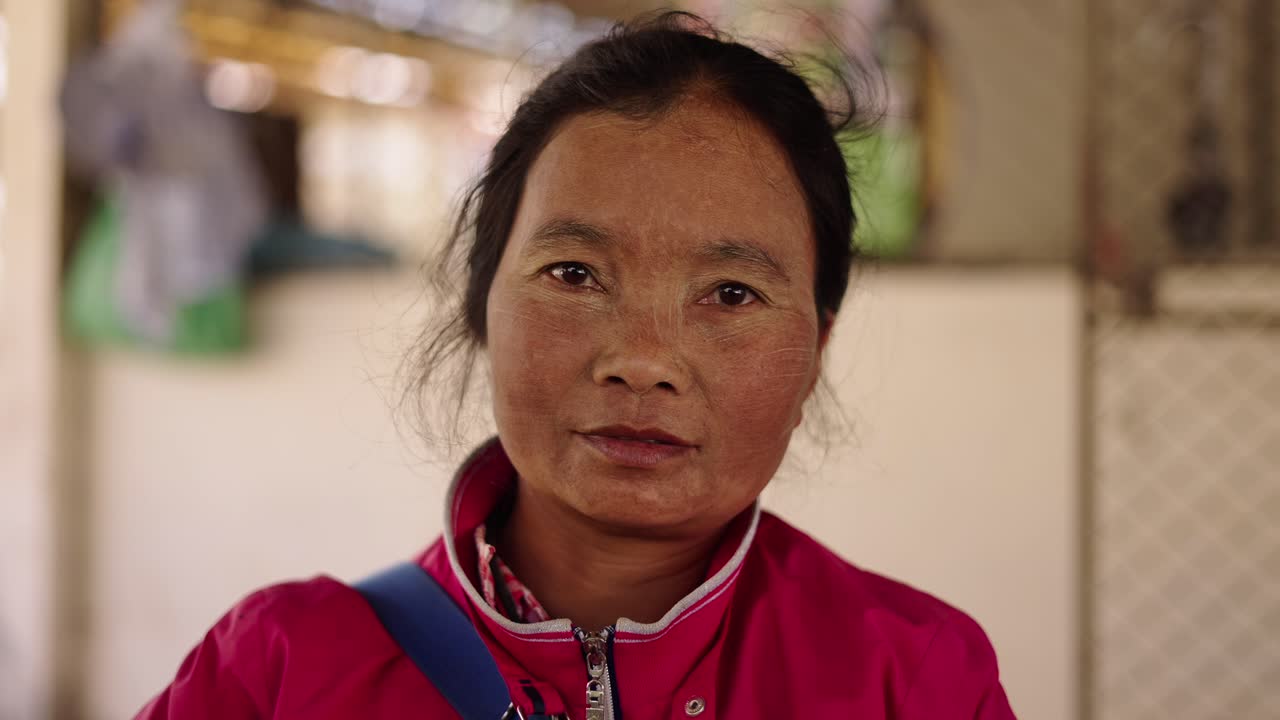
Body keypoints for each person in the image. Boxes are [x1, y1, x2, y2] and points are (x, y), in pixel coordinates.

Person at [138, 12, 1016, 719]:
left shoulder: (916, 679)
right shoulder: (278, 675)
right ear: (484, 303)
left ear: (816, 348)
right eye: (575, 275)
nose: (642, 362)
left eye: (732, 293)